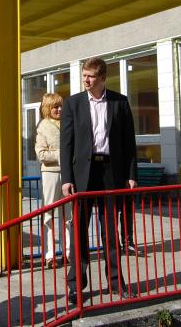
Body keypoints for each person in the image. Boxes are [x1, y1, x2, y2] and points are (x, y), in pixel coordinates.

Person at [61, 57, 137, 304]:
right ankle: (76, 285)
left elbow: (129, 142)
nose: (86, 79)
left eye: (91, 76)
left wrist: (131, 175)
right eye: (84, 75)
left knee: (111, 232)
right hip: (83, 174)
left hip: (110, 173)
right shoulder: (73, 104)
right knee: (79, 231)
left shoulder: (119, 102)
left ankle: (116, 282)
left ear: (103, 78)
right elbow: (66, 145)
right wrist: (66, 178)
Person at [35, 92, 71, 268]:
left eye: (61, 106)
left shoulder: (68, 123)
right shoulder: (43, 126)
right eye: (55, 106)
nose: (59, 109)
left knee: (68, 215)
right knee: (48, 215)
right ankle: (50, 254)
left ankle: (69, 252)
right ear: (47, 108)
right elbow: (41, 154)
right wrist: (62, 155)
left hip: (68, 173)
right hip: (50, 174)